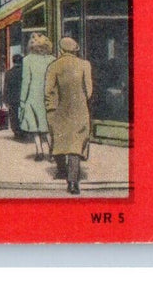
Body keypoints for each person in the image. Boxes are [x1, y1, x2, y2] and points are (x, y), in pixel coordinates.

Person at [45, 37, 94, 195]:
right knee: (76, 144)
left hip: (59, 109)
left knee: (59, 140)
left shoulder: (54, 66)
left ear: (61, 50)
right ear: (75, 49)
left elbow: (48, 91)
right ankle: (73, 182)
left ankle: (61, 170)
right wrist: (80, 101)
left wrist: (50, 108)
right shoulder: (84, 65)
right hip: (79, 109)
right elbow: (89, 90)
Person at [20, 33, 54, 161]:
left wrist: (22, 100)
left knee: (35, 127)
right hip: (47, 96)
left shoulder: (27, 60)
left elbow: (26, 81)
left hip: (32, 97)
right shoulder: (52, 59)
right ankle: (52, 151)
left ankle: (39, 151)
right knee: (47, 127)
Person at [4, 54, 25, 139]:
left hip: (12, 98)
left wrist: (5, 100)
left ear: (13, 61)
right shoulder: (25, 72)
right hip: (24, 97)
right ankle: (24, 131)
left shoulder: (8, 73)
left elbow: (6, 88)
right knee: (24, 115)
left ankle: (16, 132)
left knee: (13, 116)